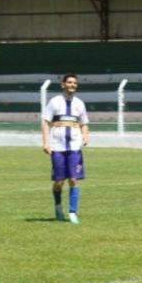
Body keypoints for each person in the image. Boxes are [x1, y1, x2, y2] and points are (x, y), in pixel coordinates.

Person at [42, 73, 90, 225]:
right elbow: (45, 122)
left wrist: (86, 136)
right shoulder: (55, 102)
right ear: (63, 84)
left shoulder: (79, 103)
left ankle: (73, 212)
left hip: (75, 147)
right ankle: (58, 206)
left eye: (74, 83)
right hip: (57, 146)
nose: (72, 85)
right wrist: (46, 143)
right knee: (59, 181)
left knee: (74, 179)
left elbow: (84, 123)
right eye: (69, 82)